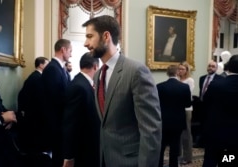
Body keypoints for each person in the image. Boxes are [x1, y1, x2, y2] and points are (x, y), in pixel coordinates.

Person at [82, 15, 162, 167]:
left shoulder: (136, 71)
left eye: (90, 37)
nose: (86, 43)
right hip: (105, 159)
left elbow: (151, 129)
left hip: (130, 161)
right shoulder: (98, 74)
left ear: (106, 36)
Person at [62, 52, 100, 167]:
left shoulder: (83, 83)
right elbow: (70, 124)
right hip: (83, 149)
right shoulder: (79, 87)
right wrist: (69, 156)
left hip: (88, 146)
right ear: (95, 67)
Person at [202, 55, 238, 167]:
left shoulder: (215, 84)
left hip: (214, 132)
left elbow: (205, 105)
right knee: (228, 162)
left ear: (228, 67)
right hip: (234, 136)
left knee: (210, 161)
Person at [41, 39, 72, 167]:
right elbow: (55, 98)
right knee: (58, 159)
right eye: (70, 51)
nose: (71, 54)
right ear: (63, 50)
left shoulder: (59, 68)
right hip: (56, 123)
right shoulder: (53, 69)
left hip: (59, 122)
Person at [17, 56, 50, 166]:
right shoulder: (37, 78)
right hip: (34, 118)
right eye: (47, 64)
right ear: (41, 65)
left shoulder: (34, 77)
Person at [0, 48, 19, 167]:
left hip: (1, 148)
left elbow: (0, 109)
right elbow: (0, 117)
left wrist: (10, 117)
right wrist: (1, 119)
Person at [157, 65, 191, 167]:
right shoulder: (184, 87)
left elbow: (156, 104)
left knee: (161, 146)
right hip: (178, 121)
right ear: (177, 73)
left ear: (167, 73)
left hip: (163, 121)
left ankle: (159, 164)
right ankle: (173, 165)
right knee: (175, 146)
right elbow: (188, 104)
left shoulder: (159, 86)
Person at [195, 60, 223, 147]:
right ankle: (201, 142)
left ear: (216, 68)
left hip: (213, 106)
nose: (210, 68)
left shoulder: (220, 79)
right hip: (202, 105)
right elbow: (201, 91)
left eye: (213, 66)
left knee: (211, 125)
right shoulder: (202, 78)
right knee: (202, 124)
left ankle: (209, 143)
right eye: (209, 66)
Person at [177, 61, 194, 165]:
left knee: (187, 133)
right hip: (177, 109)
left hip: (186, 109)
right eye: (179, 69)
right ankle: (179, 155)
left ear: (187, 70)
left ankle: (188, 157)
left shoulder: (190, 80)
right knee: (178, 133)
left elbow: (188, 94)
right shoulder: (177, 79)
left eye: (182, 69)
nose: (180, 71)